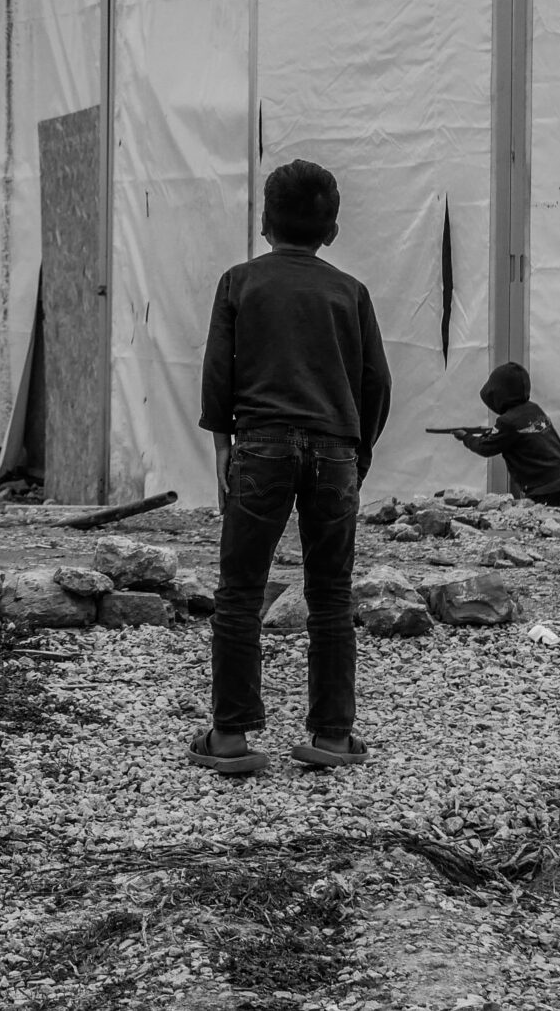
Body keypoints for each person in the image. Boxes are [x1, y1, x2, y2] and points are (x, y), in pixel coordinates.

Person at [194, 159, 391, 776]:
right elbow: (376, 382)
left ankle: (230, 736)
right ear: (332, 230)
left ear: (263, 221)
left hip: (260, 445)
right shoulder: (350, 292)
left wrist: (223, 448)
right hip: (335, 449)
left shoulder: (239, 283)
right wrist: (358, 451)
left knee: (240, 591)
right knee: (330, 593)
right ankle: (332, 735)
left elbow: (218, 371)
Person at [448, 361, 560, 506]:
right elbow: (517, 434)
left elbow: (485, 447)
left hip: (545, 488)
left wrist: (465, 437)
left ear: (498, 394)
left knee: (542, 517)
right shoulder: (533, 409)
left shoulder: (507, 422)